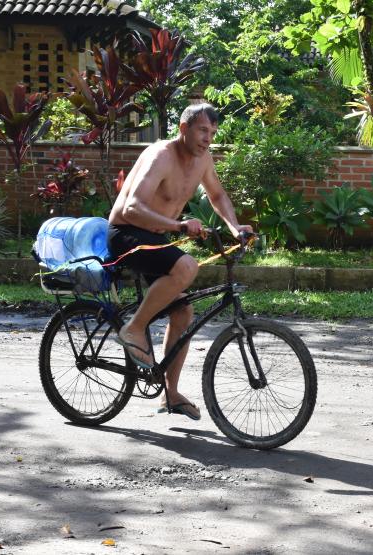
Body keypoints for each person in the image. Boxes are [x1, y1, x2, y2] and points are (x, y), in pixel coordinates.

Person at [107, 103, 252, 421]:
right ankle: (135, 328)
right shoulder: (161, 155)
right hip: (127, 234)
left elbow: (217, 195)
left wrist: (235, 227)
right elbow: (131, 208)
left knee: (184, 311)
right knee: (187, 266)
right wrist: (179, 226)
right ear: (183, 129)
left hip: (155, 238)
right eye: (202, 130)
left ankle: (169, 395)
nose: (208, 139)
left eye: (213, 133)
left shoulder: (202, 159)